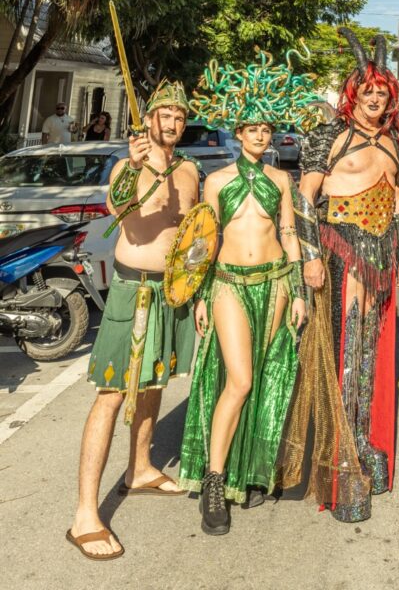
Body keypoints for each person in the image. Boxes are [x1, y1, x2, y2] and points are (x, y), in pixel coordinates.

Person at [178, 49, 319, 535]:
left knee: (264, 377)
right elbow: (201, 242)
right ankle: (215, 480)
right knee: (237, 380)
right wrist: (198, 295)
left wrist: (299, 289)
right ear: (237, 134)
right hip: (228, 285)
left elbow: (289, 236)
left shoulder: (283, 179)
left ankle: (252, 469)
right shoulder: (215, 181)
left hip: (276, 282)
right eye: (251, 128)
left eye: (265, 128)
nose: (260, 135)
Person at [277, 28, 399, 523]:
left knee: (373, 354)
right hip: (340, 250)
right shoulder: (326, 136)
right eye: (368, 91)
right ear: (353, 95)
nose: (375, 99)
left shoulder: (394, 138)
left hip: (382, 253)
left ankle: (367, 448)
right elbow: (302, 198)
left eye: (382, 92)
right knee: (345, 352)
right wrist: (311, 257)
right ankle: (343, 461)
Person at [68, 80, 199, 560]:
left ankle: (139, 467)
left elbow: (194, 232)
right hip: (132, 290)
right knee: (111, 394)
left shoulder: (189, 170)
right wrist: (140, 167)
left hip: (173, 291)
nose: (173, 122)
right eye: (165, 114)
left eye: (180, 116)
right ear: (149, 120)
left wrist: (198, 290)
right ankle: (85, 513)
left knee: (154, 383)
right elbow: (115, 208)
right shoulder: (129, 164)